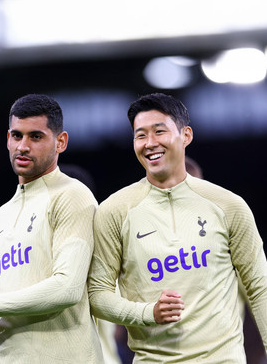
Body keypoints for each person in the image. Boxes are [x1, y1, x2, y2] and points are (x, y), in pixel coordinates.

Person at [88, 92, 267, 362]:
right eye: (140, 135)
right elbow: (97, 295)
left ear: (186, 135)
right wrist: (148, 314)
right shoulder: (113, 211)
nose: (150, 143)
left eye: (159, 131)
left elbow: (259, 286)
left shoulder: (229, 205)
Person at [0, 94, 104, 363]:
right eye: (17, 136)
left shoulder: (72, 195)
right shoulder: (0, 217)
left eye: (36, 137)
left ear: (60, 142)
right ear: (7, 138)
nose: (23, 146)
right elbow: (14, 304)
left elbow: (67, 288)